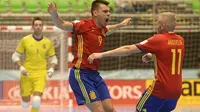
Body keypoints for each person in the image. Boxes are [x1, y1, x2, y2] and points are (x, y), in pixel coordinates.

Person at [88, 12, 185, 112]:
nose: (156, 25)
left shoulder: (158, 39)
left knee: (140, 109)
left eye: (157, 22)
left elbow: (127, 49)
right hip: (176, 91)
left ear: (163, 26)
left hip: (160, 89)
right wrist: (152, 56)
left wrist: (101, 54)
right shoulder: (180, 40)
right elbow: (169, 56)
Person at [47, 0, 131, 111]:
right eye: (105, 11)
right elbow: (61, 24)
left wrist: (121, 25)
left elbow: (108, 29)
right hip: (80, 74)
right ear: (95, 13)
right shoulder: (83, 25)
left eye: (109, 11)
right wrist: (54, 14)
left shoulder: (102, 30)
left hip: (95, 75)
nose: (108, 14)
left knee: (110, 110)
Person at [11, 17, 58, 112]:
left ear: (42, 27)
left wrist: (52, 68)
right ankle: (25, 101)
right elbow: (15, 56)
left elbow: (54, 58)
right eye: (36, 25)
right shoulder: (25, 40)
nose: (38, 27)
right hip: (26, 74)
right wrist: (21, 67)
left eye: (40, 25)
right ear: (32, 27)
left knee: (36, 100)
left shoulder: (48, 42)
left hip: (40, 74)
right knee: (25, 103)